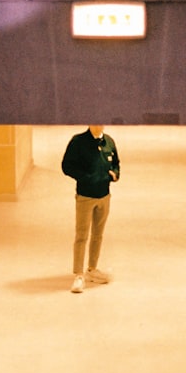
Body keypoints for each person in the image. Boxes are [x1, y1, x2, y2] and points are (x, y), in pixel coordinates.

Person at [61, 125, 120, 293]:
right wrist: (86, 178)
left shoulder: (108, 142)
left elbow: (116, 163)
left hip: (104, 196)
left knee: (98, 234)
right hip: (85, 197)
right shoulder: (78, 142)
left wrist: (115, 175)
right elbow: (67, 166)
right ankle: (78, 274)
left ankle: (92, 268)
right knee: (81, 235)